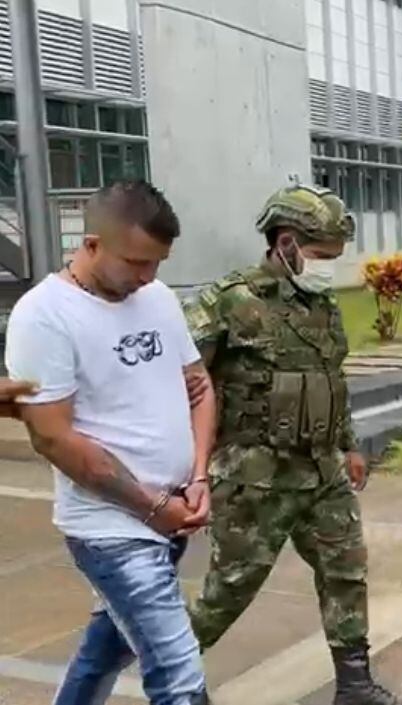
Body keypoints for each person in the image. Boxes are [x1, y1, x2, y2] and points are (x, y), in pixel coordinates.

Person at [182, 184, 402, 705]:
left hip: (322, 471)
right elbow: (182, 381)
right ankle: (172, 676)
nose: (327, 267)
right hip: (254, 476)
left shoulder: (323, 304)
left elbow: (330, 376)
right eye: (320, 256)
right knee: (228, 590)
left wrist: (350, 444)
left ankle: (354, 685)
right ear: (285, 242)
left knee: (346, 571)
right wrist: (188, 467)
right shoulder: (229, 299)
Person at [4, 180, 216, 705]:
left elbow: (200, 386)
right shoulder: (45, 314)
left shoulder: (158, 298)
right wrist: (153, 507)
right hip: (112, 528)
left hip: (173, 511)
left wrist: (199, 476)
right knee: (179, 675)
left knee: (105, 652)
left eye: (157, 264)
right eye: (136, 263)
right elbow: (53, 439)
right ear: (92, 244)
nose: (148, 277)